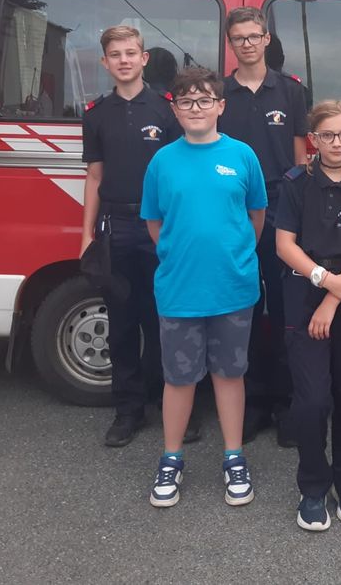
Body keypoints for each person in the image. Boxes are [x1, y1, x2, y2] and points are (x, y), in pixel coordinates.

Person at [141, 67, 267, 508]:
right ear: (174, 109)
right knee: (178, 378)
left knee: (229, 374)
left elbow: (256, 218)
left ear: (221, 107)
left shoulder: (243, 156)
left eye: (205, 100)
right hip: (179, 288)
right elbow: (155, 223)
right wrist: (179, 254)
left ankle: (234, 457)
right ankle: (171, 458)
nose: (196, 108)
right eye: (187, 101)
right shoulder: (162, 161)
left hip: (233, 287)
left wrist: (231, 255)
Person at [81, 25, 199, 448]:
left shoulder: (167, 109)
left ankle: (175, 407)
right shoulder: (95, 113)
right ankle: (128, 411)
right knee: (123, 324)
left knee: (170, 320)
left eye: (131, 52)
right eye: (116, 54)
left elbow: (183, 170)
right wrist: (87, 236)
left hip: (163, 230)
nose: (124, 60)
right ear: (105, 62)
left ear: (144, 58)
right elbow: (94, 177)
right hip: (117, 229)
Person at [275, 101, 341, 531]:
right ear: (312, 142)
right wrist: (323, 280)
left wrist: (334, 296)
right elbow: (285, 245)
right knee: (313, 399)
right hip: (304, 296)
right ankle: (313, 485)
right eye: (327, 136)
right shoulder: (296, 184)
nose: (336, 143)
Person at [217, 6, 309, 446]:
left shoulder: (290, 92)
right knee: (245, 312)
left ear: (266, 39)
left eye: (254, 36)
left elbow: (299, 158)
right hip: (233, 212)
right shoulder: (219, 95)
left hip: (281, 208)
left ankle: (288, 404)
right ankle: (252, 403)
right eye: (239, 38)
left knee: (288, 311)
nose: (247, 44)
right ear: (230, 44)